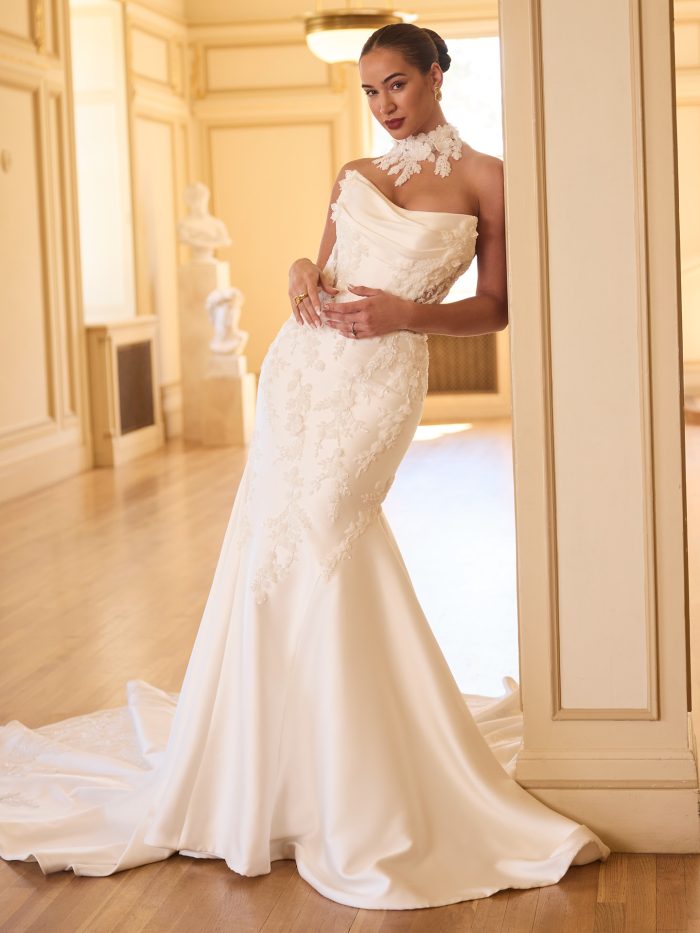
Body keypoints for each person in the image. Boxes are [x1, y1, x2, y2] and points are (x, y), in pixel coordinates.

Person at [0, 23, 611, 911]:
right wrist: (297, 267)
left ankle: (352, 767)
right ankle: (273, 760)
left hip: (380, 380)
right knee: (273, 544)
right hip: (300, 374)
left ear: (437, 75)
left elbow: (496, 307)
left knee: (331, 528)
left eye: (397, 84)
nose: (383, 105)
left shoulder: (489, 179)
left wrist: (407, 315)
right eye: (369, 91)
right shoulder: (354, 174)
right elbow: (321, 269)